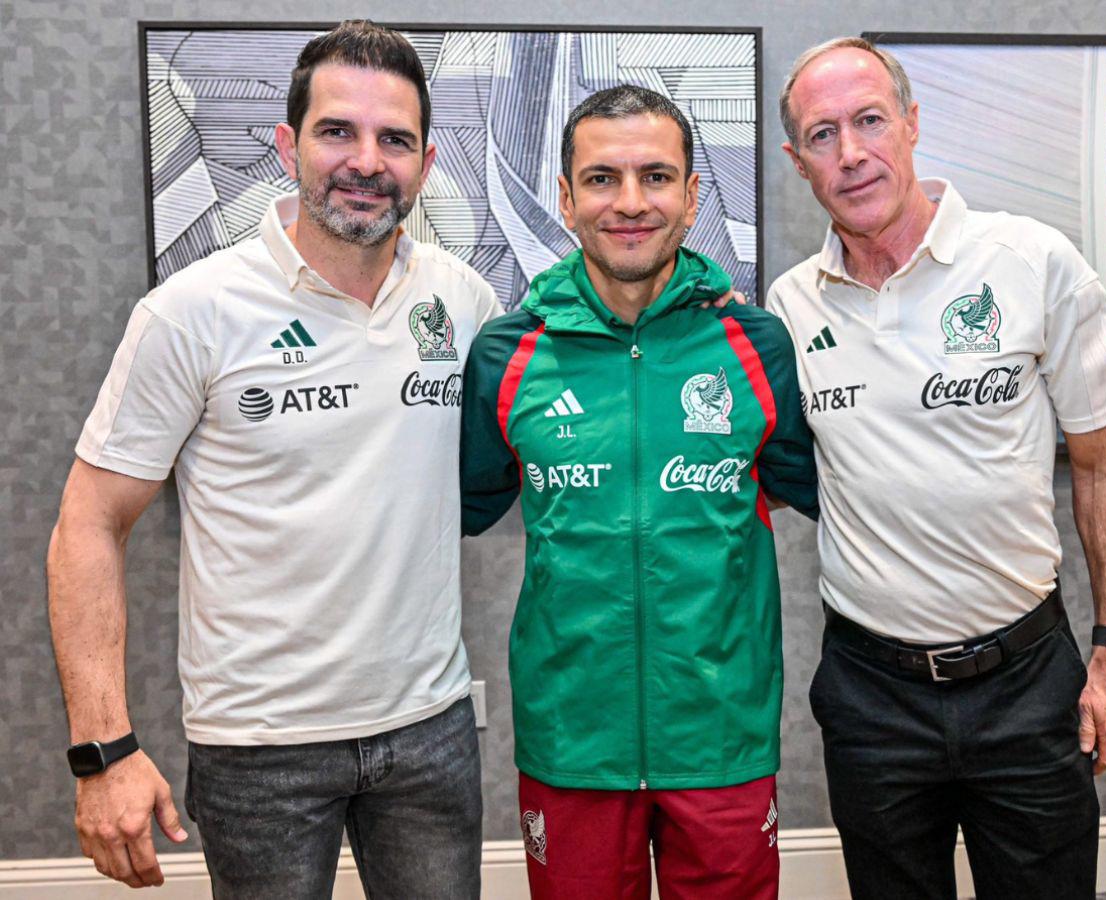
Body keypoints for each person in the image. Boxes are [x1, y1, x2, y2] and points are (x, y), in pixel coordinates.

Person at [47, 20, 499, 897]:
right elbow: (87, 525)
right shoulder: (191, 311)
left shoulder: (462, 298)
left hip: (432, 731)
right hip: (259, 750)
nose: (367, 160)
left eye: (394, 139)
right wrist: (102, 751)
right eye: (339, 131)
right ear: (289, 144)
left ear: (426, 162)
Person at [767, 37, 1106, 900]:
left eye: (869, 120)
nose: (852, 153)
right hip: (870, 697)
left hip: (1028, 681)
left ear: (911, 122)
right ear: (797, 162)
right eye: (822, 136)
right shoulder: (790, 308)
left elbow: (1104, 465)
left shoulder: (1033, 263)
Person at [460, 84, 819, 900]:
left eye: (656, 177)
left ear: (693, 196)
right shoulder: (506, 354)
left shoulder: (757, 344)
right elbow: (451, 503)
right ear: (565, 197)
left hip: (722, 732)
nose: (629, 203)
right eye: (601, 179)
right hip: (572, 737)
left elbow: (828, 486)